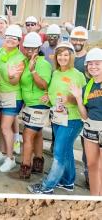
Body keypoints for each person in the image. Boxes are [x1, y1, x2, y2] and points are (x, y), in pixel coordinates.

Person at [28, 42, 86, 194]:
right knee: (66, 151)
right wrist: (49, 96)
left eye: (66, 54)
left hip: (72, 119)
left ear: (71, 56)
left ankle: (48, 186)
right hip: (57, 118)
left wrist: (71, 99)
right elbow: (54, 91)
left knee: (59, 152)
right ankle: (68, 182)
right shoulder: (56, 73)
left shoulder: (78, 75)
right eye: (60, 54)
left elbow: (83, 99)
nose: (62, 57)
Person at [9, 32, 52, 180]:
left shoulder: (43, 64)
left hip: (39, 105)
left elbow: (44, 85)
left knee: (27, 136)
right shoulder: (24, 62)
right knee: (38, 133)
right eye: (26, 48)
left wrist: (33, 70)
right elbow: (16, 80)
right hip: (29, 105)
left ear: (39, 48)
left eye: (32, 49)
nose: (29, 51)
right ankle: (38, 165)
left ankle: (25, 169)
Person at [0, 25, 25, 172]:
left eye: (14, 38)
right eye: (9, 37)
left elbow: (14, 81)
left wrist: (11, 75)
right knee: (2, 126)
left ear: (18, 42)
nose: (11, 40)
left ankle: (10, 159)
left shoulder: (20, 58)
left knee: (5, 127)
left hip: (13, 95)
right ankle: (3, 152)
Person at [70, 48, 102, 195]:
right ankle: (95, 197)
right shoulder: (87, 87)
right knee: (91, 165)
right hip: (90, 129)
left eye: (97, 63)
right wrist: (77, 98)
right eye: (90, 64)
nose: (93, 66)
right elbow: (84, 116)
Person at [70, 25, 89, 188]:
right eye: (75, 39)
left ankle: (89, 175)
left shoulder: (89, 60)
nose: (77, 42)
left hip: (85, 106)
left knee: (87, 143)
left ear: (85, 41)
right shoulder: (67, 57)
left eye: (80, 39)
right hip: (67, 106)